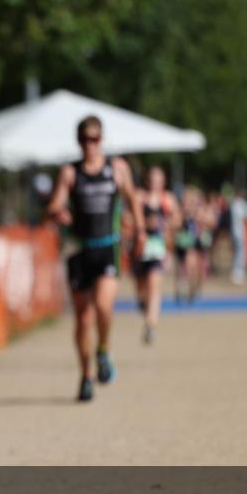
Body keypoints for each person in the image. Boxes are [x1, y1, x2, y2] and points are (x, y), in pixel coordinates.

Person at [46, 115, 144, 402]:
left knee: (102, 305)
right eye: (86, 140)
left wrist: (139, 232)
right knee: (82, 318)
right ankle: (86, 375)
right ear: (79, 142)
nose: (91, 145)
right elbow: (55, 202)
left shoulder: (117, 168)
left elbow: (133, 199)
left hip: (108, 246)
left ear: (102, 140)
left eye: (96, 139)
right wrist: (56, 211)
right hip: (79, 250)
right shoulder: (69, 172)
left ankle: (104, 349)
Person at [133, 166, 181, 344]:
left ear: (163, 181)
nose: (155, 183)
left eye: (158, 179)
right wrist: (144, 223)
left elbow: (178, 220)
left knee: (154, 286)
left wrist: (165, 223)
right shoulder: (139, 197)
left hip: (159, 248)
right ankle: (144, 307)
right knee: (141, 288)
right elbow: (128, 217)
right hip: (139, 249)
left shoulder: (168, 199)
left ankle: (150, 325)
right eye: (152, 179)